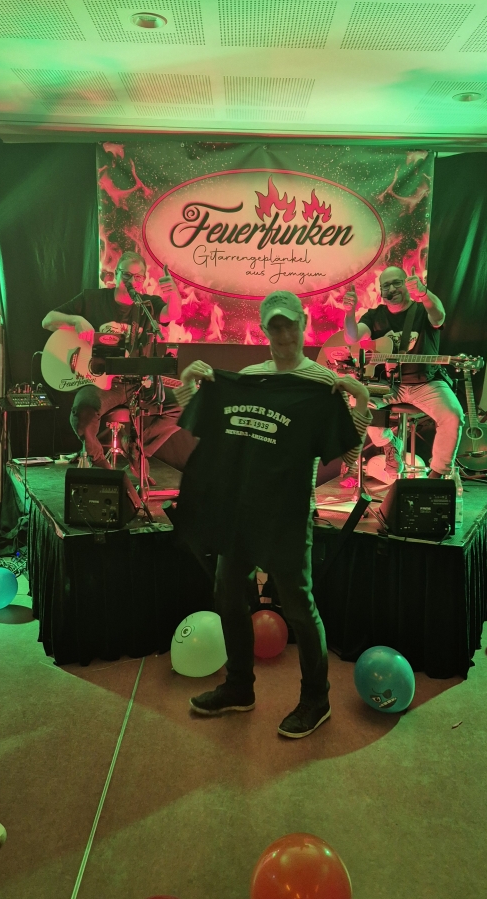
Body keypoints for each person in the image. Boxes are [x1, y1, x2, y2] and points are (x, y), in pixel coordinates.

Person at [174, 290, 372, 739]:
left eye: (290, 325)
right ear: (264, 330)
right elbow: (204, 424)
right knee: (227, 592)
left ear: (303, 323)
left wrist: (360, 403)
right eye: (275, 326)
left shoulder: (321, 384)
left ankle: (316, 699)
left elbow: (346, 452)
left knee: (299, 605)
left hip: (288, 511)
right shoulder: (249, 378)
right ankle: (238, 687)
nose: (283, 335)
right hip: (239, 510)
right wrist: (188, 383)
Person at [42, 251, 188, 470]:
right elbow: (48, 321)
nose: (132, 281)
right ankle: (100, 462)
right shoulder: (93, 299)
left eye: (138, 277)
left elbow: (172, 314)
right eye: (126, 275)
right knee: (83, 412)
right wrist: (76, 320)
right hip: (102, 383)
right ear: (116, 274)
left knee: (184, 405)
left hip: (137, 383)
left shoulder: (148, 305)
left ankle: (138, 449)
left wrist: (173, 292)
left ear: (143, 279)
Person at [342, 265, 464, 479]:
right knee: (357, 402)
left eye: (397, 283)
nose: (391, 289)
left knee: (453, 415)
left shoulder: (422, 310)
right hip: (389, 385)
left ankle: (437, 476)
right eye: (386, 285)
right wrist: (349, 313)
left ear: (407, 285)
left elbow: (439, 315)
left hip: (426, 382)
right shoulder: (374, 316)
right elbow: (352, 337)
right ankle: (390, 443)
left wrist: (424, 293)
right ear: (381, 290)